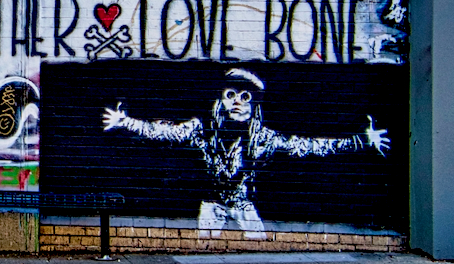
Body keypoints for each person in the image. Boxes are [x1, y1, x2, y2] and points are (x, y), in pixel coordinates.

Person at [101, 68, 389, 239]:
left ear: (255, 105)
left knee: (258, 240)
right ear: (220, 100)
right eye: (231, 95)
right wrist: (125, 121)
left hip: (242, 204)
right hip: (212, 205)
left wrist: (359, 141)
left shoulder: (263, 139)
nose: (237, 102)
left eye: (245, 96)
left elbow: (308, 146)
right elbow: (165, 132)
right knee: (205, 247)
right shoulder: (202, 130)